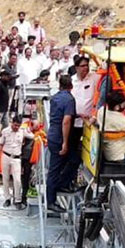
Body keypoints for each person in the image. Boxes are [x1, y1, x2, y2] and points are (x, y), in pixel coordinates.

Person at [44, 72, 77, 213]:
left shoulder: (55, 97)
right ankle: (51, 201)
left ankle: (61, 184)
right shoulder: (69, 100)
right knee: (56, 168)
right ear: (71, 86)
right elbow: (66, 121)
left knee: (71, 160)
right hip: (59, 137)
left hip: (52, 134)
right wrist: (64, 142)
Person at [0, 112, 30, 206]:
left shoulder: (22, 131)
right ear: (12, 123)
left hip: (16, 158)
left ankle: (17, 199)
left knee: (17, 179)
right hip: (6, 155)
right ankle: (7, 198)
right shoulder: (5, 131)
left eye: (18, 126)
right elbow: (0, 144)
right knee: (5, 178)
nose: (16, 127)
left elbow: (32, 135)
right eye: (15, 125)